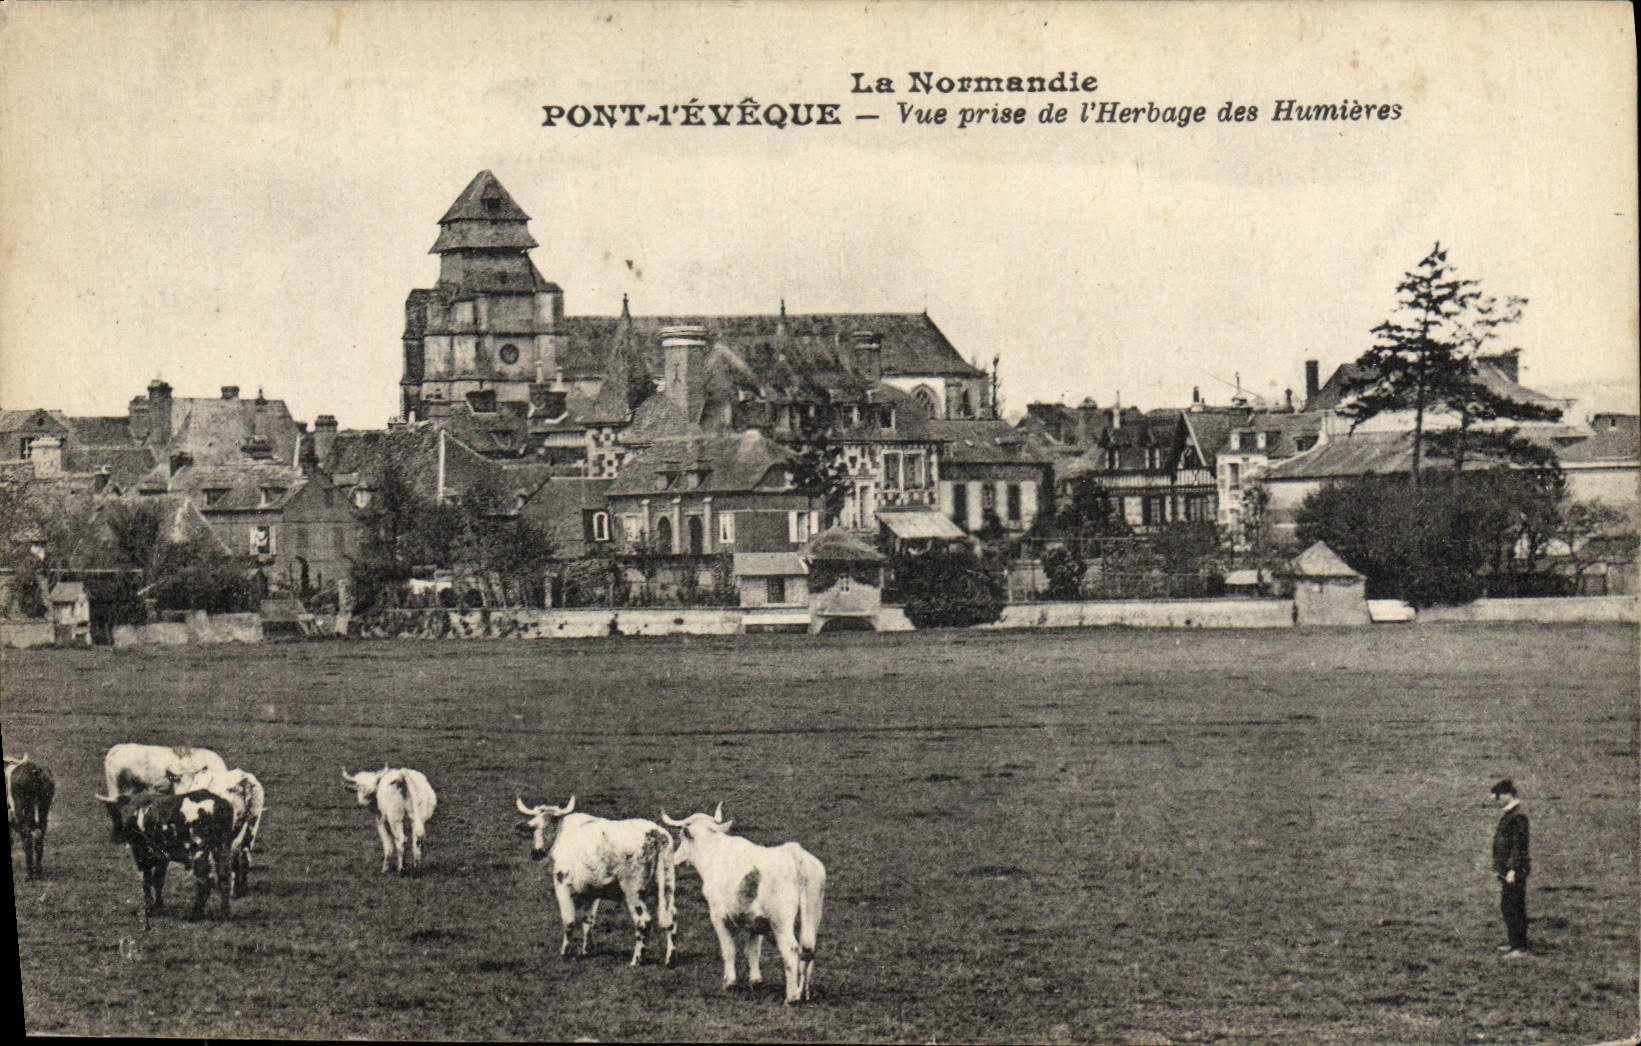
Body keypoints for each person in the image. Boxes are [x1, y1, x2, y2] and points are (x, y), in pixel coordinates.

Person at [1490, 778, 1531, 957]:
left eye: (1499, 797)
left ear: (1508, 795)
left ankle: (1519, 947)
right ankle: (1514, 942)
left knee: (1514, 906)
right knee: (1508, 906)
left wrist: (1513, 869)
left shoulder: (1518, 816)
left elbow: (1519, 845)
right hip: (1508, 870)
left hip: (1514, 870)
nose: (1497, 801)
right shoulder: (1511, 813)